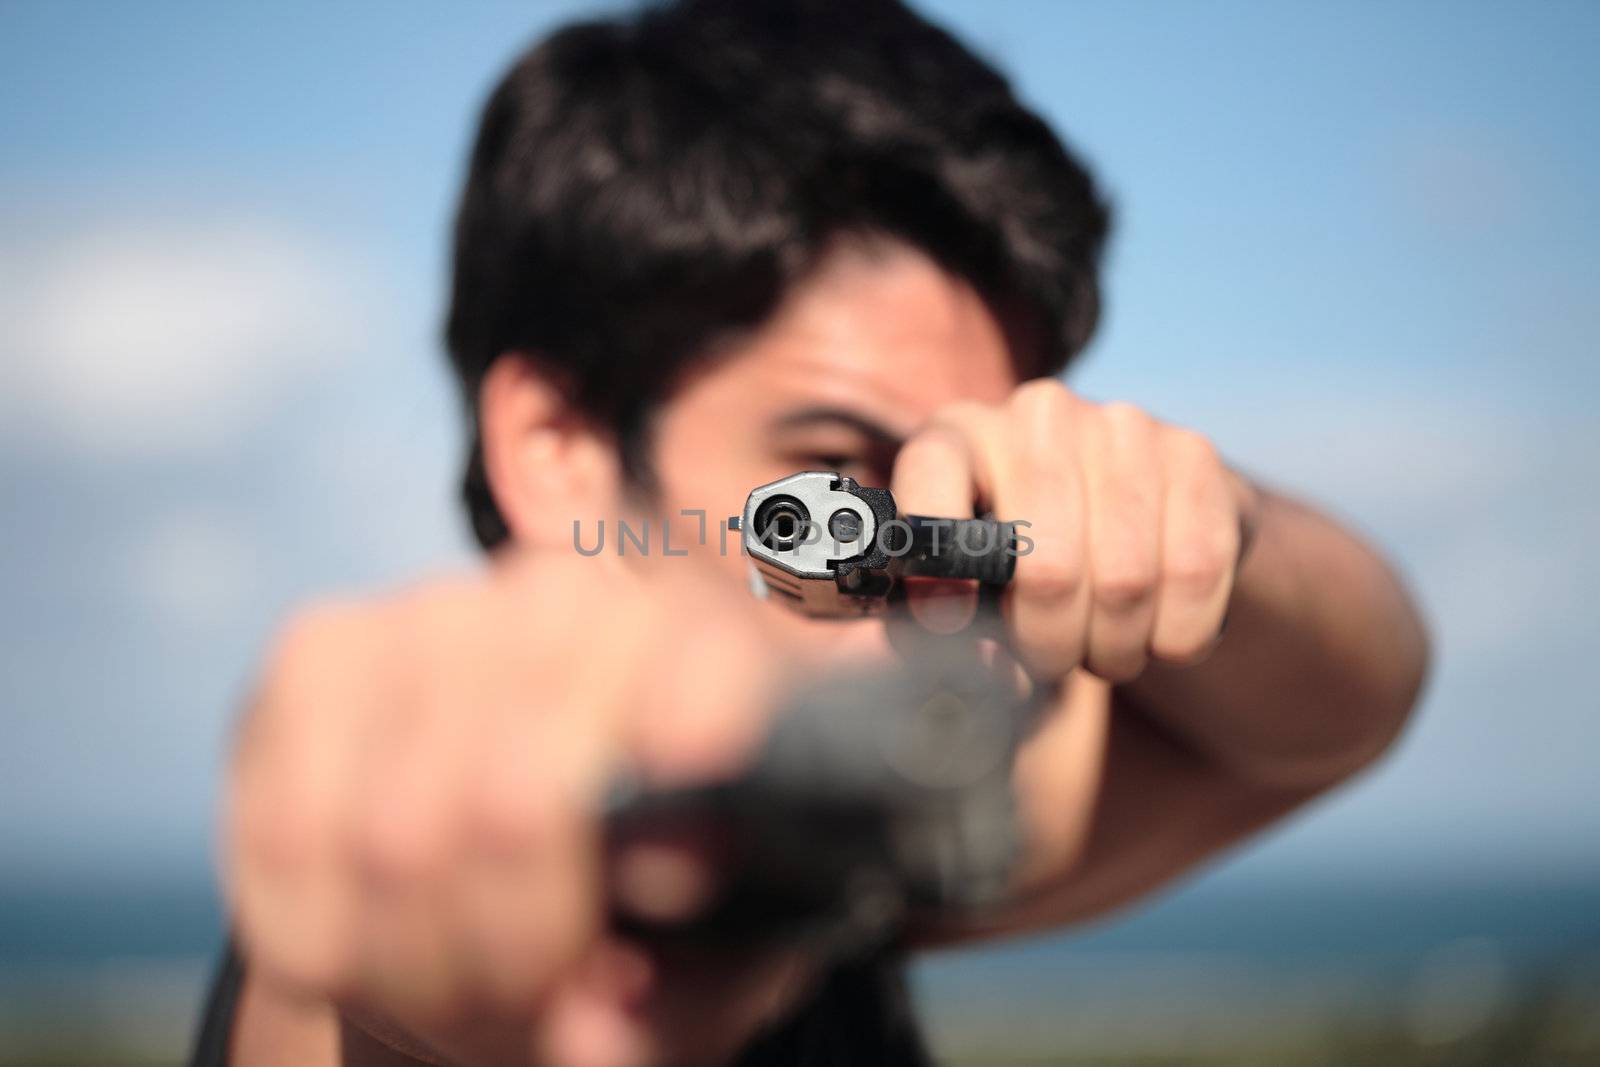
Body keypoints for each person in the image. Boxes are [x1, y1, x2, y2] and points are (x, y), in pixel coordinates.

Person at [191, 0, 1430, 1064]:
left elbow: (1343, 704)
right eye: (840, 478)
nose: (920, 568)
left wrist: (1211, 527)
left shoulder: (854, 823)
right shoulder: (386, 919)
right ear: (558, 445)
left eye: (976, 505)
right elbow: (402, 922)